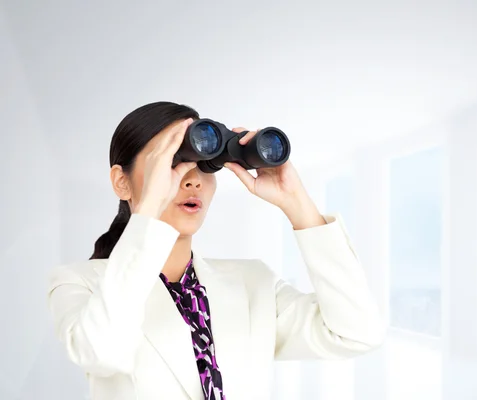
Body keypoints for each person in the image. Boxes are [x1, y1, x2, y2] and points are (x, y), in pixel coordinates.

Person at [47, 101, 386, 400]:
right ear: (122, 182)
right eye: (172, 162)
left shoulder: (253, 283)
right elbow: (102, 351)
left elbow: (356, 333)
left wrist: (296, 202)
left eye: (205, 163)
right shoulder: (79, 284)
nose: (192, 179)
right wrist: (151, 205)